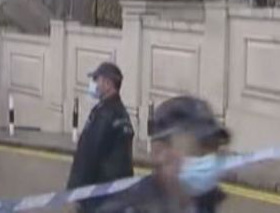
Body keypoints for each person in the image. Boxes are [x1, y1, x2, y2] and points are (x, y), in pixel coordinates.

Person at [96, 95, 230, 213]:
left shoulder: (207, 204)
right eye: (197, 148)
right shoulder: (126, 208)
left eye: (213, 148)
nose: (208, 159)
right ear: (159, 152)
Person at [67, 62, 135, 211]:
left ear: (108, 83)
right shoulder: (122, 114)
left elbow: (88, 154)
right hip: (117, 192)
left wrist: (77, 191)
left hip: (98, 194)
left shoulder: (104, 114)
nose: (94, 84)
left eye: (97, 80)